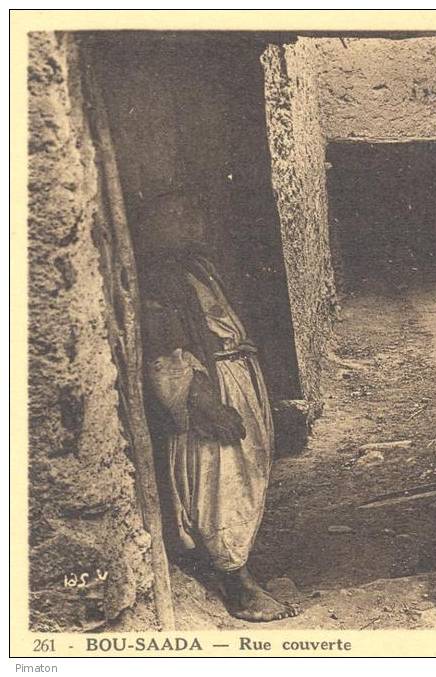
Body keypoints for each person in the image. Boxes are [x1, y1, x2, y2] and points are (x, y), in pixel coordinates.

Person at [141, 245, 298, 622]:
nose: (188, 223)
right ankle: (236, 584)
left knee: (246, 476)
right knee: (219, 479)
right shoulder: (158, 278)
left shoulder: (197, 265)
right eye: (177, 215)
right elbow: (165, 357)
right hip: (211, 390)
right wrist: (204, 402)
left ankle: (240, 565)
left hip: (235, 376)